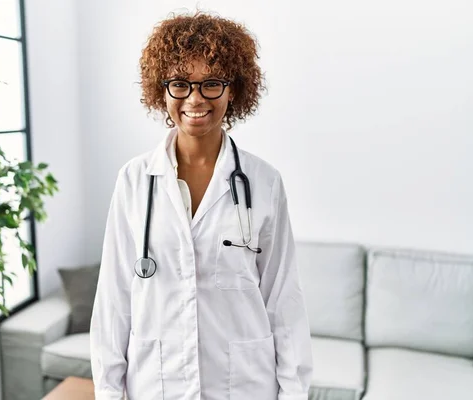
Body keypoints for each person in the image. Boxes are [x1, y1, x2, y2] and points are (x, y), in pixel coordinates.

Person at [90, 11, 313, 400]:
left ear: (233, 90)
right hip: (157, 385)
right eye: (180, 83)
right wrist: (108, 392)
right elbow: (113, 300)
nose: (195, 99)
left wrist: (293, 394)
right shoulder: (134, 180)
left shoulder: (264, 183)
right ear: (161, 90)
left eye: (211, 83)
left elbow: (283, 300)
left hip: (242, 386)